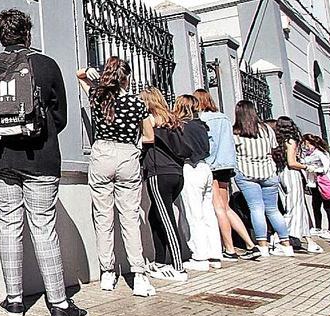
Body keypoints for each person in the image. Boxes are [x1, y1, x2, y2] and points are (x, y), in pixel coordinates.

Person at [0, 9, 89, 316]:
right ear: (28, 33)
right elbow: (61, 116)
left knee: (8, 228)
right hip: (40, 158)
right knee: (43, 228)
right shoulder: (46, 65)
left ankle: (13, 302)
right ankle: (59, 305)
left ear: (0, 35)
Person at [77, 58, 156, 297]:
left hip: (102, 153)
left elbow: (79, 74)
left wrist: (94, 73)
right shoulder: (136, 103)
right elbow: (149, 136)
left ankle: (107, 273)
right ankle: (139, 275)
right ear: (127, 78)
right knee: (130, 218)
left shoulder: (98, 97)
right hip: (127, 155)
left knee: (103, 217)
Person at [193, 89, 259, 261]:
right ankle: (250, 244)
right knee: (226, 206)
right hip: (226, 166)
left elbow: (209, 144)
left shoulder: (204, 119)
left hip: (213, 165)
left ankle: (229, 248)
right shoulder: (224, 118)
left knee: (218, 208)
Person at [139, 88, 195, 280]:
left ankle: (178, 267)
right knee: (155, 216)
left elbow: (147, 141)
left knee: (166, 219)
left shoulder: (150, 120)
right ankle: (159, 262)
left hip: (158, 174)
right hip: (177, 174)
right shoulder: (173, 121)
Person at [232, 100, 295, 258]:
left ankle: (262, 245)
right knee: (273, 210)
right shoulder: (267, 129)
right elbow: (273, 148)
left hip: (247, 174)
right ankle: (286, 244)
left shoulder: (236, 132)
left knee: (256, 209)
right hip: (268, 173)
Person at [174, 95, 223, 270]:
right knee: (208, 212)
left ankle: (200, 255)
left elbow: (181, 148)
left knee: (193, 213)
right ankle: (215, 253)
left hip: (191, 167)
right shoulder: (202, 125)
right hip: (205, 167)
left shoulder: (182, 126)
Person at [274, 117, 322, 254]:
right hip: (291, 175)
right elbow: (292, 163)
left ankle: (309, 241)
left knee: (296, 207)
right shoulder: (291, 141)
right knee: (294, 207)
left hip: (281, 174)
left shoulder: (279, 142)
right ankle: (280, 239)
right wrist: (307, 166)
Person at [302, 134, 330, 240]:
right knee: (315, 205)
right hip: (313, 183)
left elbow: (325, 168)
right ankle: (318, 227)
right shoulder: (307, 154)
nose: (304, 145)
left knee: (328, 206)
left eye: (305, 143)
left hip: (323, 182)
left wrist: (314, 168)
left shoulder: (321, 153)